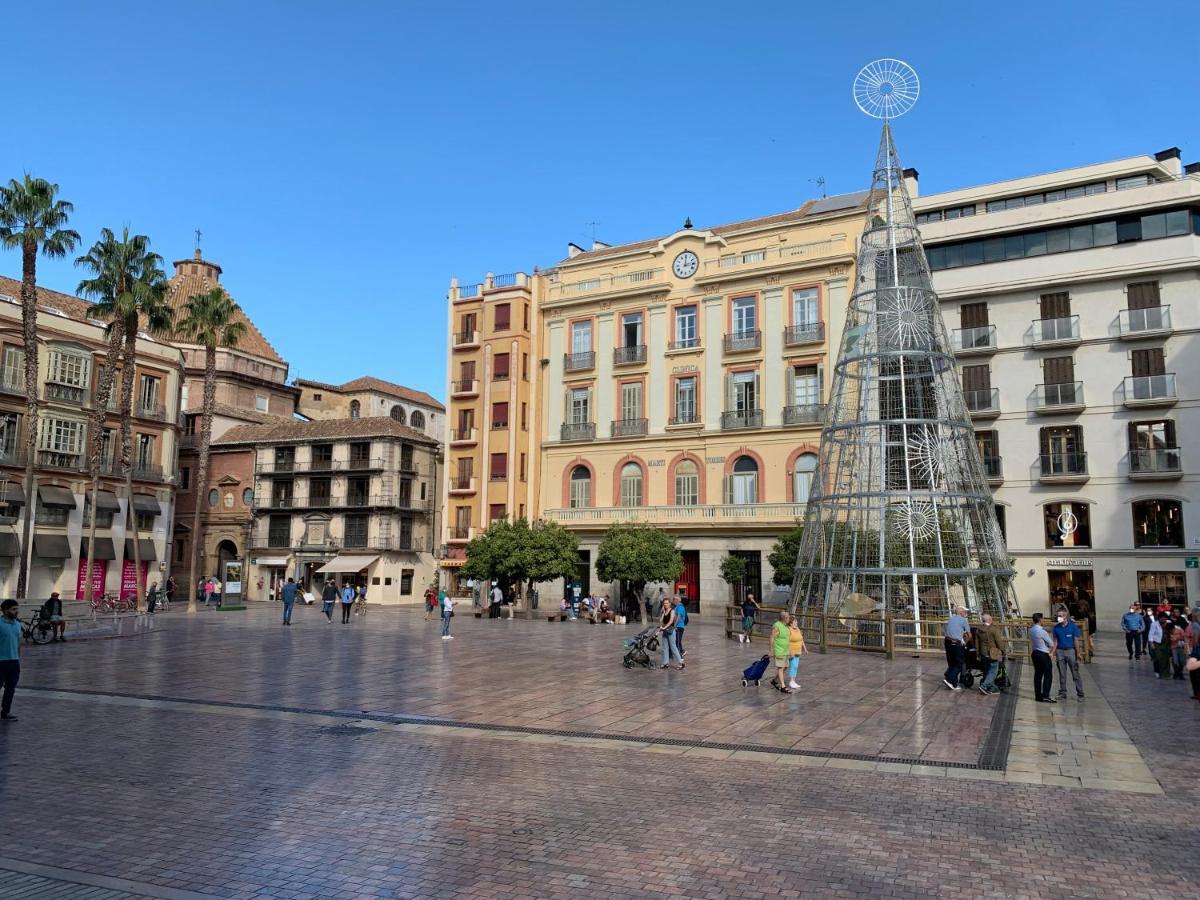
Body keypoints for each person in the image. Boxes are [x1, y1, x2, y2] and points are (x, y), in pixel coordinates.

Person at [1051, 609, 1085, 701]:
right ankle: (1063, 692)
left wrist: (1078, 653)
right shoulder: (1056, 628)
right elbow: (1055, 642)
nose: (1059, 617)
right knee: (1062, 674)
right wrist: (1052, 652)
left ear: (1065, 617)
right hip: (1060, 652)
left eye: (1060, 616)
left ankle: (1080, 694)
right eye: (1058, 616)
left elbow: (1076, 641)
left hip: (1070, 651)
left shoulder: (1073, 627)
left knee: (1075, 673)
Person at [975, 613, 1007, 695]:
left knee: (987, 671)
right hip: (993, 653)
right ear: (989, 620)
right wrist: (1003, 651)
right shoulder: (993, 629)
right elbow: (999, 642)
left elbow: (977, 644)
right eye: (991, 619)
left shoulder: (978, 630)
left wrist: (978, 654)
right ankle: (984, 686)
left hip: (983, 653)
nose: (992, 620)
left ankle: (991, 688)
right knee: (993, 671)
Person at [942, 606, 971, 691]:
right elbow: (969, 635)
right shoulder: (964, 620)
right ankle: (949, 679)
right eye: (965, 612)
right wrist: (965, 643)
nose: (966, 613)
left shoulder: (951, 619)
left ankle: (953, 684)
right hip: (956, 643)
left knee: (951, 663)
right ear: (961, 612)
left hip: (947, 642)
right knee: (959, 663)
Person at [0, 599, 20, 721]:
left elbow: (18, 644)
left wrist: (18, 658)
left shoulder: (17, 624)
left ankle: (5, 712)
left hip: (14, 662)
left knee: (10, 688)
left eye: (17, 609)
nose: (16, 611)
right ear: (5, 610)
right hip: (1, 661)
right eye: (14, 609)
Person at [1029, 612, 1055, 703]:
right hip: (1043, 653)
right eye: (1043, 619)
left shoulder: (1031, 630)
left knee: (1038, 675)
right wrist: (1050, 652)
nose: (1044, 620)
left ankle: (1038, 695)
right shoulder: (1042, 631)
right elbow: (1051, 644)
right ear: (1040, 620)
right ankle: (1045, 695)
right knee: (1048, 675)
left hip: (1035, 653)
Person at [658, 596, 683, 670]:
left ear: (669, 604)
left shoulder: (672, 611)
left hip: (671, 631)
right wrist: (661, 627)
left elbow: (671, 621)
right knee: (665, 648)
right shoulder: (664, 611)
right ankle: (666, 663)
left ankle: (681, 663)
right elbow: (661, 621)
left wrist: (665, 627)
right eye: (664, 603)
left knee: (673, 647)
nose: (665, 604)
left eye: (666, 603)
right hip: (665, 631)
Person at [770, 611, 791, 693]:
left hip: (785, 651)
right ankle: (783, 686)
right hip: (779, 650)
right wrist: (772, 650)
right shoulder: (777, 625)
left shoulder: (785, 626)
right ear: (784, 618)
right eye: (788, 617)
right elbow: (772, 637)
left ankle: (775, 680)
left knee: (785, 667)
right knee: (780, 667)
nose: (789, 619)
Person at [786, 615, 806, 691]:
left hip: (798, 651)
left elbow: (801, 639)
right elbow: (787, 641)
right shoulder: (789, 629)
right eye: (795, 621)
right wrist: (790, 652)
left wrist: (804, 648)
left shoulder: (797, 629)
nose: (796, 622)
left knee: (796, 666)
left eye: (796, 621)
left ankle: (793, 680)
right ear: (791, 623)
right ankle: (791, 681)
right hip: (792, 651)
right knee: (793, 666)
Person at [1148, 613, 1170, 680]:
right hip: (1157, 643)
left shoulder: (1169, 623)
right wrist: (1151, 643)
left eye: (1165, 618)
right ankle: (1157, 671)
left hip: (1166, 643)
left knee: (1166, 659)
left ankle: (1166, 674)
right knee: (1157, 658)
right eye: (1162, 618)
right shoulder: (1154, 624)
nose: (1163, 619)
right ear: (1159, 618)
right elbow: (1151, 634)